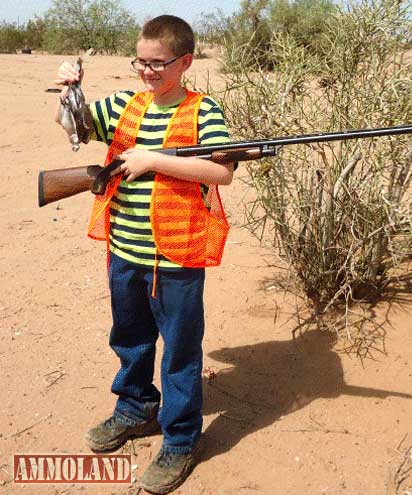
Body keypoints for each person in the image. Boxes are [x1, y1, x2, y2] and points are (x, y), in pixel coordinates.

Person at [54, 15, 234, 494]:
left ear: (185, 62)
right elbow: (76, 125)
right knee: (130, 338)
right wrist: (68, 93)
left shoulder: (203, 111)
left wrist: (152, 159)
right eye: (141, 61)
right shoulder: (126, 104)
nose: (147, 71)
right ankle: (134, 409)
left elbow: (221, 173)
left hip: (177, 258)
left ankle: (179, 439)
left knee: (178, 352)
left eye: (158, 63)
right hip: (125, 250)